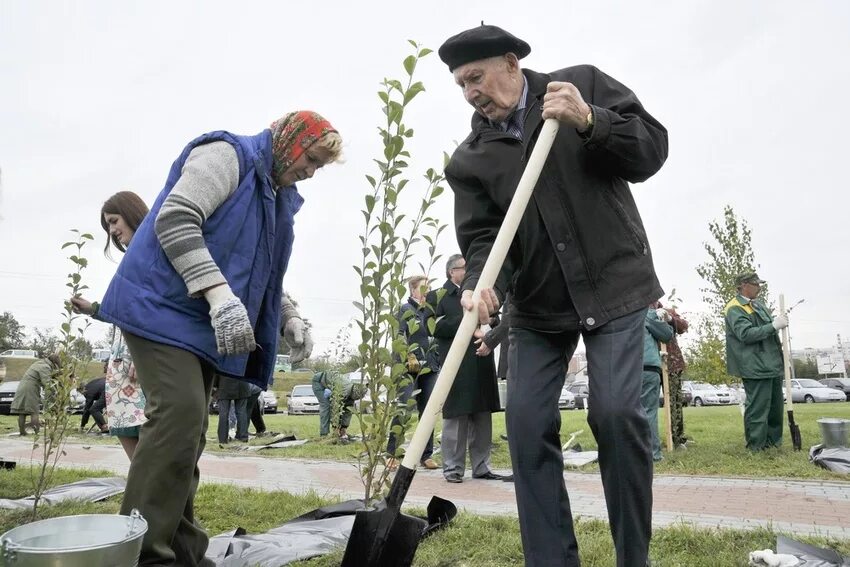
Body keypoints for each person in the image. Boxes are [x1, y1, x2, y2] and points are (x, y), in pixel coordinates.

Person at [438, 24, 668, 566]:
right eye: (461, 85)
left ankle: (633, 557)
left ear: (512, 64)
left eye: (476, 77)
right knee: (525, 425)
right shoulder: (470, 160)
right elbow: (483, 238)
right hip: (538, 308)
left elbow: (652, 150)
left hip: (614, 286)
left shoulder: (579, 86)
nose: (470, 92)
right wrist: (479, 281)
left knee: (615, 415)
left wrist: (593, 122)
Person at [97, 111, 342, 566]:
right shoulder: (226, 154)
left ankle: (184, 551)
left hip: (198, 323)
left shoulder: (275, 196)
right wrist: (218, 295)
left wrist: (289, 316)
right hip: (159, 306)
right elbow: (175, 219)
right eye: (310, 159)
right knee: (178, 416)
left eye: (319, 168)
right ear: (287, 140)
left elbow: (259, 269)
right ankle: (142, 555)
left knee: (187, 435)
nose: (310, 171)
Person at [71, 190, 150, 459]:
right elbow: (124, 313)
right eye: (108, 225)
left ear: (132, 213)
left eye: (114, 221)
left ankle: (152, 499)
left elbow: (153, 308)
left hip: (139, 359)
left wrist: (143, 356)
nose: (112, 230)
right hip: (120, 364)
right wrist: (93, 309)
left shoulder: (153, 252)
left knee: (149, 446)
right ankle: (141, 497)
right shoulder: (132, 257)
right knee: (128, 435)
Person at [428, 254, 503, 484]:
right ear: (453, 272)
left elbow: (496, 322)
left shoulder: (482, 293)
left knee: (482, 415)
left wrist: (490, 326)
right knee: (456, 417)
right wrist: (465, 322)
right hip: (456, 364)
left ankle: (481, 467)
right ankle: (453, 468)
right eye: (464, 267)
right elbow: (432, 326)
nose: (469, 271)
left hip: (481, 359)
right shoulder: (437, 296)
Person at [724, 272, 787, 451]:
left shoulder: (758, 305)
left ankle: (773, 443)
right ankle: (756, 446)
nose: (759, 287)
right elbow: (745, 334)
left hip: (771, 362)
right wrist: (774, 325)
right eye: (755, 284)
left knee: (775, 408)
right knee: (758, 408)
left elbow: (769, 333)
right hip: (754, 365)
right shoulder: (735, 307)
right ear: (744, 285)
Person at [386, 275, 440, 471]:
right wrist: (408, 356)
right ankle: (393, 453)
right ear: (413, 290)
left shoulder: (431, 312)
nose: (427, 292)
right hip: (409, 368)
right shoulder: (405, 309)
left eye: (429, 288)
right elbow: (400, 336)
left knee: (428, 411)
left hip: (430, 367)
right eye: (423, 288)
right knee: (404, 408)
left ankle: (426, 455)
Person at [641, 306, 674, 462]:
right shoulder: (648, 313)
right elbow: (666, 335)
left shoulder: (619, 313)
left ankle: (633, 451)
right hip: (647, 368)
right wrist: (662, 319)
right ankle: (653, 453)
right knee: (648, 411)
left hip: (624, 368)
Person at [657, 302, 689, 447]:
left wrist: (670, 318)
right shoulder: (641, 313)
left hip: (672, 363)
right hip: (650, 363)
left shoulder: (667, 311)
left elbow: (683, 326)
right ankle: (648, 439)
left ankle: (677, 437)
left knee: (674, 401)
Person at [11, 355, 59, 436]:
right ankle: (36, 432)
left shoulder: (39, 363)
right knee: (34, 411)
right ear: (54, 363)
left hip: (22, 386)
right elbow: (47, 383)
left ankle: (22, 432)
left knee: (22, 411)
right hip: (31, 388)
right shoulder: (45, 367)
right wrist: (55, 392)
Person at [311, 370, 365, 440]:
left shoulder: (352, 393)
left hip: (330, 382)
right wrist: (335, 427)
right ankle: (324, 434)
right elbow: (335, 409)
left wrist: (344, 427)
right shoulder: (343, 390)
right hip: (318, 381)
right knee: (326, 406)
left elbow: (348, 410)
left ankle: (341, 432)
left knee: (346, 406)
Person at [214, 374, 252, 445]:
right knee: (241, 412)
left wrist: (215, 385)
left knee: (223, 414)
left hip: (224, 385)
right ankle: (243, 437)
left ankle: (222, 439)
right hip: (242, 384)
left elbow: (217, 372)